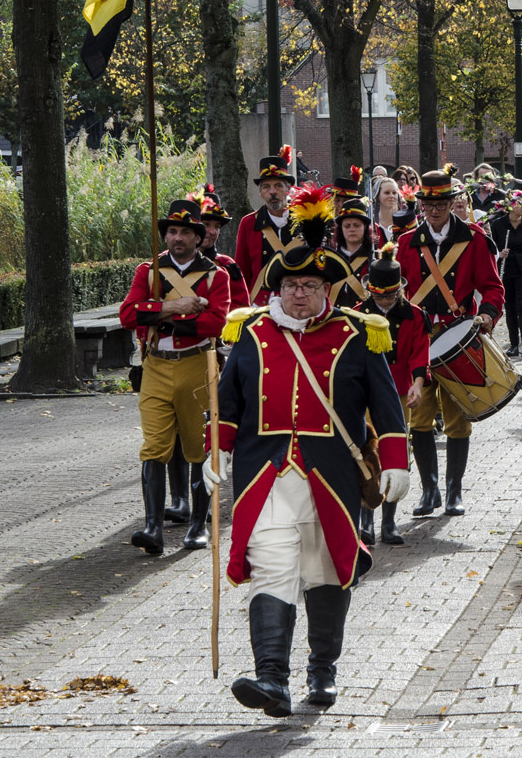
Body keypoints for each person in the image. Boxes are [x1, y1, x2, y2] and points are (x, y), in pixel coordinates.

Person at [207, 215, 409, 716]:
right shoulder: (251, 332)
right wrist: (219, 449)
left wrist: (395, 460)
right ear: (279, 288)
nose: (299, 294)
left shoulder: (359, 333)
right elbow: (227, 403)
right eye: (292, 285)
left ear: (327, 290)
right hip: (266, 473)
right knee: (272, 567)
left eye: (310, 286)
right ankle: (272, 680)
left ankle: (322, 670)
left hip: (330, 474)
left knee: (325, 571)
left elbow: (386, 405)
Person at [118, 199, 232, 555]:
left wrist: (158, 316)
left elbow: (215, 322)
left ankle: (197, 526)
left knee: (199, 448)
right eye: (171, 232)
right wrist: (176, 307)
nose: (177, 238)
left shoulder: (216, 275)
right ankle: (152, 527)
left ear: (198, 237)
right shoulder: (148, 272)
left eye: (184, 232)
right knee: (154, 446)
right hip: (155, 364)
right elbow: (127, 315)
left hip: (197, 366)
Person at [396, 170, 505, 517]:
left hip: (458, 338)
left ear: (451, 203)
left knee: (458, 419)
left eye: (441, 204)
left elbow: (493, 287)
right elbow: (399, 292)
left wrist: (487, 315)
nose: (434, 210)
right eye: (428, 205)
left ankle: (454, 492)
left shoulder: (474, 239)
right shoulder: (406, 242)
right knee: (419, 418)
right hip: (419, 340)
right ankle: (429, 490)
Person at [356, 244, 428, 546]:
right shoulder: (357, 315)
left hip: (399, 393)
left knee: (395, 454)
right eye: (378, 296)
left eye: (389, 295)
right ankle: (366, 520)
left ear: (399, 290)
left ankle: (389, 521)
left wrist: (417, 384)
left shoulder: (415, 315)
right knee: (365, 454)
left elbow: (419, 353)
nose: (384, 301)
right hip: (363, 395)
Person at [235, 146, 300, 306]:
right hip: (260, 304)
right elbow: (242, 271)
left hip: (297, 301)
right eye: (266, 187)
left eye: (278, 185)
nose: (272, 192)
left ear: (288, 189)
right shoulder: (249, 223)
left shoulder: (304, 220)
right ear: (260, 193)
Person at [490, 192, 522, 359]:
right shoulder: (498, 225)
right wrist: (500, 253)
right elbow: (492, 248)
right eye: (519, 204)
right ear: (509, 207)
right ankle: (513, 345)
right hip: (507, 269)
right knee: (510, 307)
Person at [328, 167, 372, 308]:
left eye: (356, 225)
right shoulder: (328, 246)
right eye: (347, 226)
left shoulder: (372, 256)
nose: (340, 205)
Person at [372, 178, 402, 247]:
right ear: (378, 196)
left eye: (394, 193)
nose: (391, 196)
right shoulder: (371, 223)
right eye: (387, 193)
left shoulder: (405, 222)